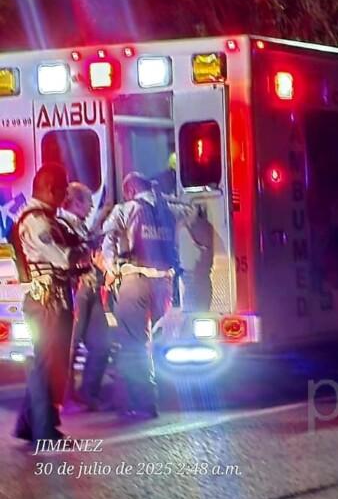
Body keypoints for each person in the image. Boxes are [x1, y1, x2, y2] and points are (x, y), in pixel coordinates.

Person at [101, 172, 199, 419]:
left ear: (130, 191)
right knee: (152, 340)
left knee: (132, 344)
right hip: (163, 285)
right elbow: (192, 212)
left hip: (135, 281)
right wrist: (163, 197)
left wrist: (111, 270)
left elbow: (108, 239)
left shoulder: (126, 209)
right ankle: (158, 395)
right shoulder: (169, 210)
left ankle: (142, 402)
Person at [11, 164, 89, 443]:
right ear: (48, 188)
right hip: (48, 302)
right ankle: (44, 430)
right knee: (48, 364)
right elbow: (63, 258)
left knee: (49, 362)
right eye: (62, 189)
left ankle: (29, 424)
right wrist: (86, 249)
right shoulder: (37, 221)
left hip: (53, 300)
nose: (65, 195)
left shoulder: (47, 218)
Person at [60, 182, 110, 412]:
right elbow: (74, 253)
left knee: (101, 343)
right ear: (76, 202)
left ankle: (89, 393)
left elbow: (88, 245)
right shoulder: (62, 225)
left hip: (91, 288)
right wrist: (98, 225)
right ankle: (65, 397)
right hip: (76, 289)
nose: (91, 206)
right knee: (70, 345)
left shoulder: (80, 226)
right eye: (89, 201)